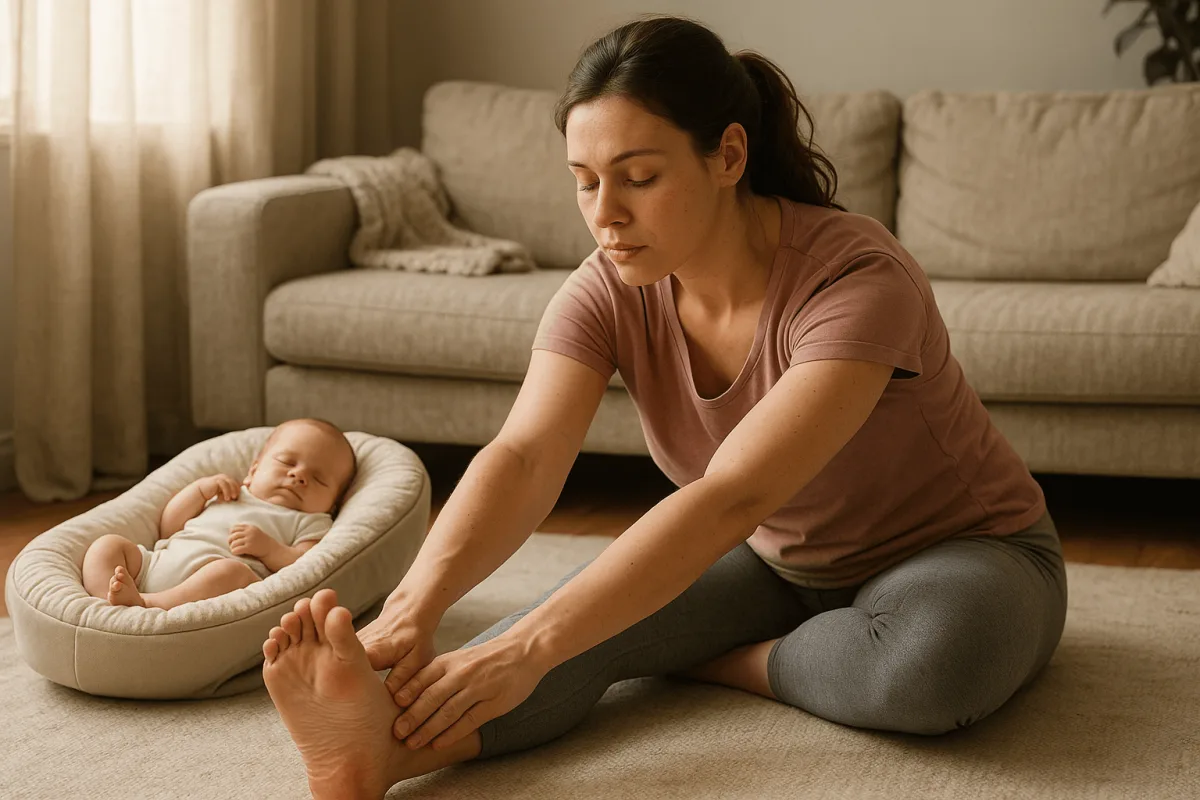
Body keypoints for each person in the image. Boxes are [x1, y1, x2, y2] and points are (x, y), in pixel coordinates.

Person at [258, 15, 1068, 800]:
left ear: (728, 155)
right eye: (584, 182)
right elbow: (525, 455)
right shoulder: (606, 289)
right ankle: (379, 757)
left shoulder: (857, 281)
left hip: (963, 552)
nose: (605, 213)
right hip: (776, 558)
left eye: (638, 178)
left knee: (924, 671)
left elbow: (733, 494)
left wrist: (539, 644)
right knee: (540, 637)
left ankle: (728, 659)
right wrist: (412, 608)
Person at [81, 418, 357, 609]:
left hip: (214, 584)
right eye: (287, 462)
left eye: (318, 479)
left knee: (230, 572)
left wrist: (269, 549)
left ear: (332, 504)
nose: (298, 476)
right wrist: (198, 492)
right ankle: (108, 601)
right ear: (253, 471)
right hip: (156, 564)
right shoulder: (231, 492)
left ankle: (148, 605)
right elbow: (169, 528)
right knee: (107, 546)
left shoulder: (311, 520)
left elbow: (305, 564)